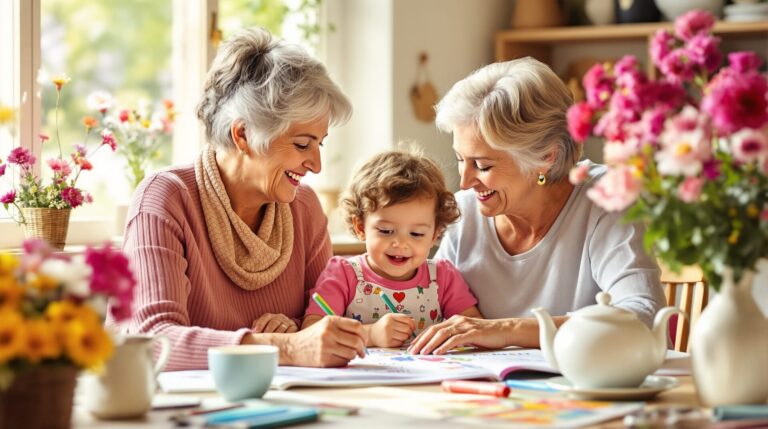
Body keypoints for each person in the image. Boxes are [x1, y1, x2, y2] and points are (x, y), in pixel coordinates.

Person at [109, 28, 368, 370]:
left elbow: (323, 322)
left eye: (320, 144)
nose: (316, 165)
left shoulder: (304, 208)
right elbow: (154, 341)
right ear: (243, 134)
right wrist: (284, 346)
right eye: (302, 144)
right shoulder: (164, 199)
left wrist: (297, 329)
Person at [407, 57, 666, 355]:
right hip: (489, 383)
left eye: (482, 165)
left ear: (546, 157)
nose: (464, 182)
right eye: (460, 159)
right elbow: (429, 305)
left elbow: (643, 317)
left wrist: (506, 330)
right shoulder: (464, 213)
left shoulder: (605, 198)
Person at [303, 150, 483, 347]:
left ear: (434, 234)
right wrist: (371, 334)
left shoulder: (442, 277)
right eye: (386, 231)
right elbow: (312, 332)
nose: (400, 243)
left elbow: (475, 329)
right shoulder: (343, 274)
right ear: (361, 227)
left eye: (416, 234)